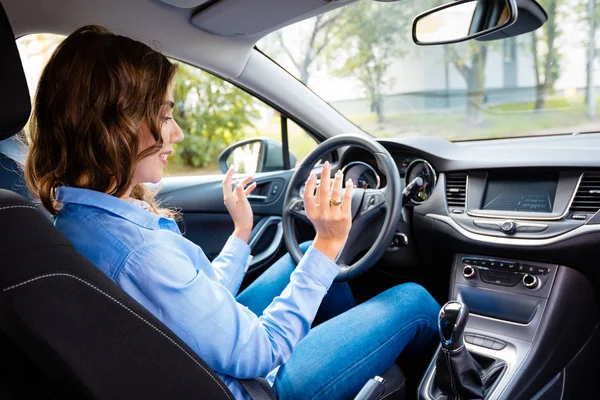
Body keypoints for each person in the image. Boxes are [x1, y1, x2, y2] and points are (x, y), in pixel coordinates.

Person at [25, 25, 440, 400]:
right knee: (414, 301)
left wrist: (242, 231)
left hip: (210, 361)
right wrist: (331, 242)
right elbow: (261, 351)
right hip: (254, 387)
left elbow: (197, 299)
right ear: (113, 125)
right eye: (165, 115)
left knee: (323, 274)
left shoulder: (83, 220)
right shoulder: (138, 254)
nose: (177, 133)